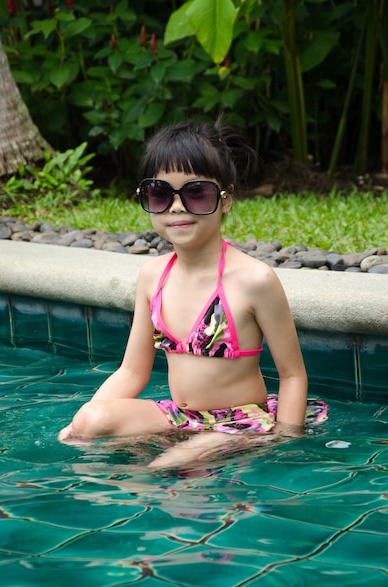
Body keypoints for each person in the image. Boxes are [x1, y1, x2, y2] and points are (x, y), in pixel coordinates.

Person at [58, 119, 327, 467]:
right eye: (160, 193)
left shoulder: (253, 280)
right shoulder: (152, 275)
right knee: (89, 424)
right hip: (181, 419)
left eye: (196, 192)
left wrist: (286, 440)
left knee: (163, 468)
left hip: (239, 423)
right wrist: (79, 422)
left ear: (226, 200)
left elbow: (292, 375)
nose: (177, 206)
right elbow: (132, 372)